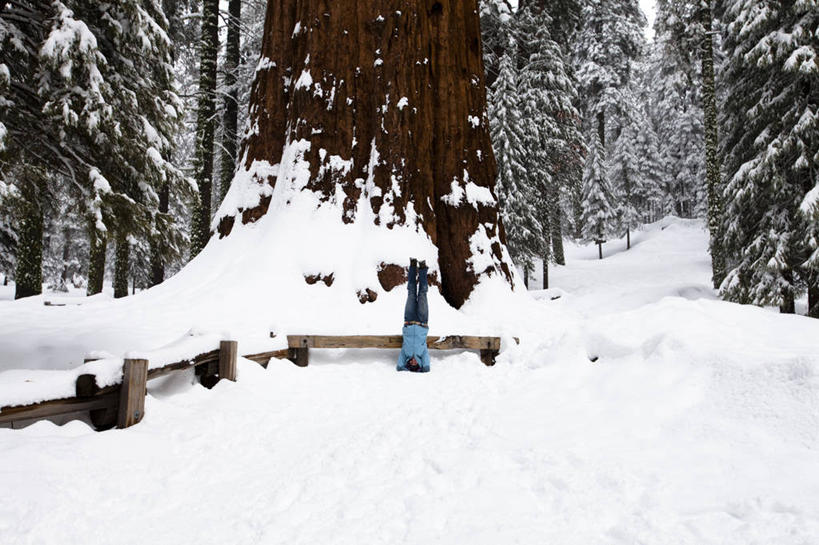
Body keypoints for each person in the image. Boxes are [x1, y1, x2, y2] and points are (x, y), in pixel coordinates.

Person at [397, 258, 430, 373]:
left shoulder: (405, 353)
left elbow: (399, 365)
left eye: (410, 364)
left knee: (411, 292)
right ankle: (422, 268)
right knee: (422, 293)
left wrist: (403, 367)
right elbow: (427, 365)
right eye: (415, 364)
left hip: (409, 320)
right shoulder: (423, 353)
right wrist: (423, 368)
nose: (413, 362)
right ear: (419, 363)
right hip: (422, 321)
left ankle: (412, 266)